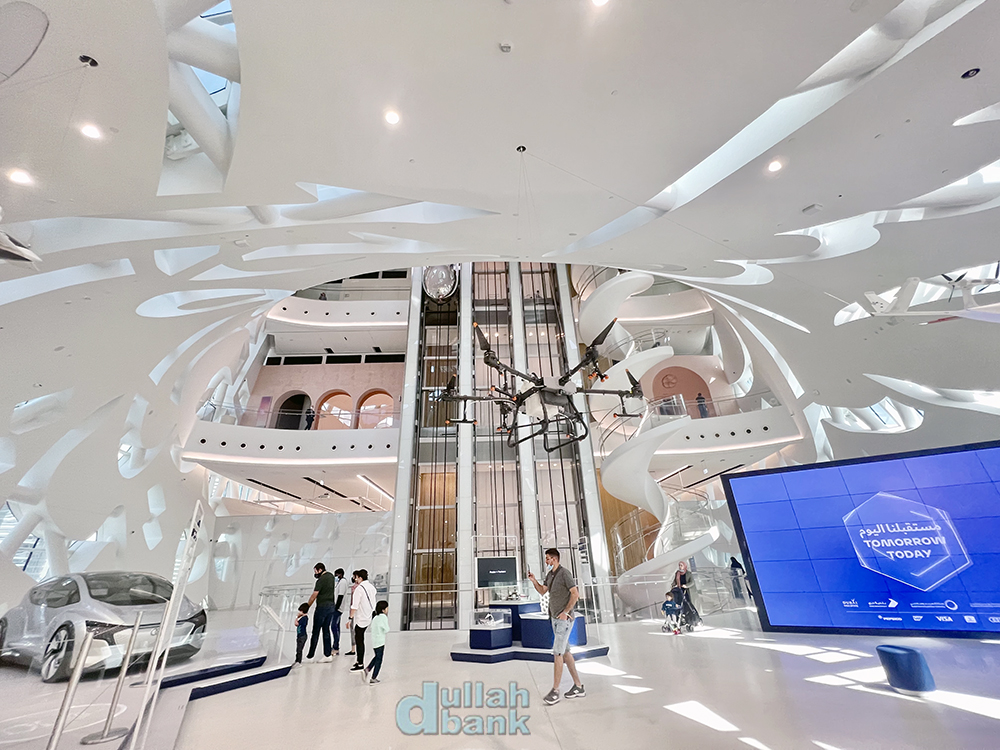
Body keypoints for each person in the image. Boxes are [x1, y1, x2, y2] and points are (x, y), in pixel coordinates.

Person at [528, 548, 585, 706]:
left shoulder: (565, 573)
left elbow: (575, 594)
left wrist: (565, 612)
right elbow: (543, 591)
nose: (546, 561)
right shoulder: (550, 575)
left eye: (547, 558)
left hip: (563, 620)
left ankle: (555, 690)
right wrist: (534, 581)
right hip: (554, 618)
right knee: (565, 652)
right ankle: (578, 686)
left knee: (557, 652)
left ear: (554, 559)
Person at [305, 562, 337, 662]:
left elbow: (314, 595)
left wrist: (307, 607)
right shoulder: (331, 576)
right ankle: (327, 655)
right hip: (331, 606)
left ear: (320, 570)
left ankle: (310, 656)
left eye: (315, 571)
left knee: (315, 632)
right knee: (326, 630)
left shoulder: (320, 580)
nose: (315, 574)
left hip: (322, 607)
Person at [347, 569, 377, 672]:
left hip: (360, 618)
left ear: (360, 578)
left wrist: (350, 618)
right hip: (368, 616)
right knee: (360, 639)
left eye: (356, 577)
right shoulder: (371, 587)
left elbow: (354, 606)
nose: (355, 579)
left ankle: (360, 663)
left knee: (359, 640)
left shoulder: (359, 589)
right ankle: (359, 661)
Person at [364, 600, 389, 684]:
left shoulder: (375, 618)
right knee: (379, 660)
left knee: (377, 657)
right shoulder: (383, 617)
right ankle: (373, 677)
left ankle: (368, 669)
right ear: (383, 610)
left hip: (375, 641)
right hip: (381, 641)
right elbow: (386, 629)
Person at [672, 561, 701, 627]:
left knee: (689, 604)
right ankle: (682, 619)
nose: (680, 567)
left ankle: (694, 618)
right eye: (679, 565)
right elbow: (675, 581)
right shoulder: (677, 573)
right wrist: (673, 585)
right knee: (681, 605)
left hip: (687, 591)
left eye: (681, 565)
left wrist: (686, 585)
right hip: (679, 591)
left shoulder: (688, 573)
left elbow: (692, 582)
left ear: (684, 566)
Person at [332, 568, 348, 654]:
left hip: (338, 608)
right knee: (336, 626)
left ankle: (336, 646)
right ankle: (335, 645)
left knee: (334, 626)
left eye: (336, 575)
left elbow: (340, 596)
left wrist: (336, 607)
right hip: (337, 608)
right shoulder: (340, 582)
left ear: (340, 574)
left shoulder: (343, 582)